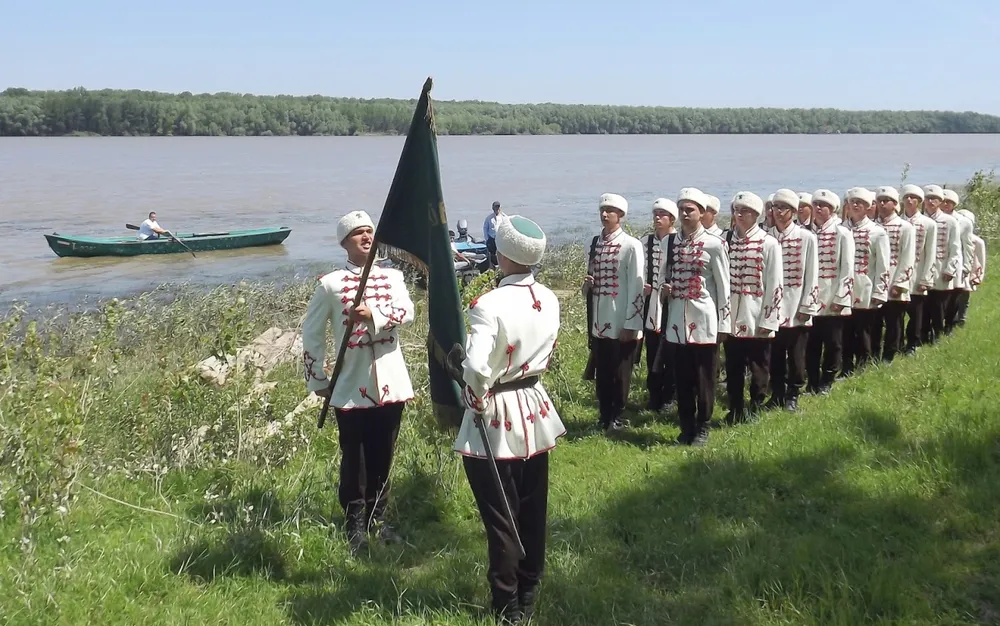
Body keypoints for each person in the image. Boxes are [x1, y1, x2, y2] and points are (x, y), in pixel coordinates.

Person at [453, 215, 565, 625]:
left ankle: (508, 603)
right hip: (534, 406)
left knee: (501, 513)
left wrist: (475, 395)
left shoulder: (488, 304)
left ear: (501, 255)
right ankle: (529, 584)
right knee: (533, 504)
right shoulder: (550, 297)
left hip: (497, 412)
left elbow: (478, 366)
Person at [301, 210, 415, 553]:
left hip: (391, 382)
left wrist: (374, 316)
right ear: (344, 243)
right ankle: (354, 520)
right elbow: (312, 332)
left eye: (370, 232)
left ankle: (380, 516)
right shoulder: (330, 283)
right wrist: (317, 377)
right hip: (350, 383)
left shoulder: (394, 278)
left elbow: (408, 312)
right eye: (358, 234)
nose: (367, 237)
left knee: (384, 452)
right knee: (355, 456)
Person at [662, 187, 730, 445]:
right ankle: (686, 425)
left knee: (704, 379)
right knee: (682, 378)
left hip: (704, 322)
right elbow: (662, 279)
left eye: (689, 209)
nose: (684, 213)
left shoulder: (715, 244)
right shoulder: (670, 242)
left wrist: (725, 324)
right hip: (677, 323)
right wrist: (664, 291)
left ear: (702, 213)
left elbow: (724, 286)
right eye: (681, 209)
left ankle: (703, 425)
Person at [582, 193, 645, 432]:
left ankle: (618, 415)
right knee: (603, 373)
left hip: (621, 319)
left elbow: (636, 287)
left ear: (621, 215)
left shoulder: (631, 245)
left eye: (610, 210)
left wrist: (632, 323)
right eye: (602, 210)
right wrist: (587, 284)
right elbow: (591, 284)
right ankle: (604, 415)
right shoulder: (596, 243)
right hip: (600, 319)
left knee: (620, 372)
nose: (604, 214)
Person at [723, 190, 783, 423]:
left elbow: (775, 284)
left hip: (757, 314)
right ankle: (735, 408)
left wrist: (769, 319)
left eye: (745, 211)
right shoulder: (726, 241)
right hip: (731, 317)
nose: (739, 214)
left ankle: (756, 405)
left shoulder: (769, 243)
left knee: (759, 366)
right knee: (733, 366)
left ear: (756, 215)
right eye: (736, 210)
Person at [767, 188, 819, 413]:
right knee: (774, 353)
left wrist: (808, 304)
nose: (778, 212)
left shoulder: (806, 237)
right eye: (775, 207)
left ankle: (794, 393)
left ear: (794, 211)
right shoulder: (767, 236)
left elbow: (812, 273)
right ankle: (777, 393)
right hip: (772, 306)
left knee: (797, 354)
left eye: (784, 208)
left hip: (796, 302)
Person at [805, 190, 854, 395]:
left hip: (832, 295)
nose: (817, 208)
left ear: (832, 209)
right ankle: (812, 382)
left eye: (822, 205)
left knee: (833, 343)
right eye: (815, 204)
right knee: (811, 344)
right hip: (811, 298)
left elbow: (847, 268)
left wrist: (841, 297)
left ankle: (827, 380)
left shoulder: (842, 233)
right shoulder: (806, 233)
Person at [842, 187, 891, 374]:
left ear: (868, 206)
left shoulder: (877, 232)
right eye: (852, 202)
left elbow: (883, 265)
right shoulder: (841, 229)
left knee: (864, 330)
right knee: (846, 331)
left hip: (865, 288)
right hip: (844, 290)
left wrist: (880, 291)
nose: (855, 205)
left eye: (860, 203)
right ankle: (846, 367)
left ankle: (864, 366)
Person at [642, 198, 678, 412]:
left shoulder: (677, 240)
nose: (657, 218)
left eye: (662, 215)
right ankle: (654, 394)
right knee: (652, 349)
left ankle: (670, 395)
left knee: (671, 351)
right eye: (655, 214)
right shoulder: (645, 241)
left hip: (672, 303)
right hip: (651, 304)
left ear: (671, 219)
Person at [874, 186, 916, 363]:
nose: (883, 204)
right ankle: (873, 354)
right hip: (875, 282)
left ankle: (890, 354)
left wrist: (900, 283)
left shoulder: (905, 227)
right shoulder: (873, 226)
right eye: (880, 201)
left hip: (894, 280)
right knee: (875, 322)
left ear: (894, 204)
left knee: (894, 321)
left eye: (887, 201)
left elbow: (908, 257)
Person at [922, 185, 962, 344]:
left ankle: (938, 334)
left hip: (941, 269)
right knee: (922, 306)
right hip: (922, 270)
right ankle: (923, 335)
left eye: (935, 199)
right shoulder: (919, 219)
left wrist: (950, 268)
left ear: (940, 201)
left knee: (938, 306)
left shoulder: (950, 221)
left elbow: (955, 247)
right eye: (928, 198)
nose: (931, 201)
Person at [900, 184, 936, 353]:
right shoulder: (897, 222)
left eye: (913, 198)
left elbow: (931, 253)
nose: (909, 200)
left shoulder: (928, 224)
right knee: (897, 314)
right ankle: (897, 343)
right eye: (906, 197)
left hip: (917, 271)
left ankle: (913, 343)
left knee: (916, 313)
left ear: (920, 202)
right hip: (899, 275)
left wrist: (926, 278)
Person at [941, 189, 974, 333]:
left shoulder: (964, 222)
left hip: (956, 264)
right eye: (943, 201)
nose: (945, 204)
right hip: (938, 263)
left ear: (954, 204)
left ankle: (949, 326)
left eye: (949, 202)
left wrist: (966, 267)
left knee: (954, 297)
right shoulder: (933, 220)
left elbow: (968, 246)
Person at [956, 208, 986, 325]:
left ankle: (962, 316)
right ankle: (953, 317)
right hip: (957, 269)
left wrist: (978, 275)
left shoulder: (978, 241)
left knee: (964, 295)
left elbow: (981, 259)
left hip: (970, 272)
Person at [484, 201, 503, 267]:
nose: (497, 208)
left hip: (500, 239)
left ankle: (500, 265)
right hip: (492, 239)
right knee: (492, 254)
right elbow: (485, 229)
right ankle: (492, 266)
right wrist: (487, 239)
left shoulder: (504, 217)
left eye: (498, 207)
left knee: (501, 253)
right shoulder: (489, 218)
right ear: (493, 208)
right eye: (495, 207)